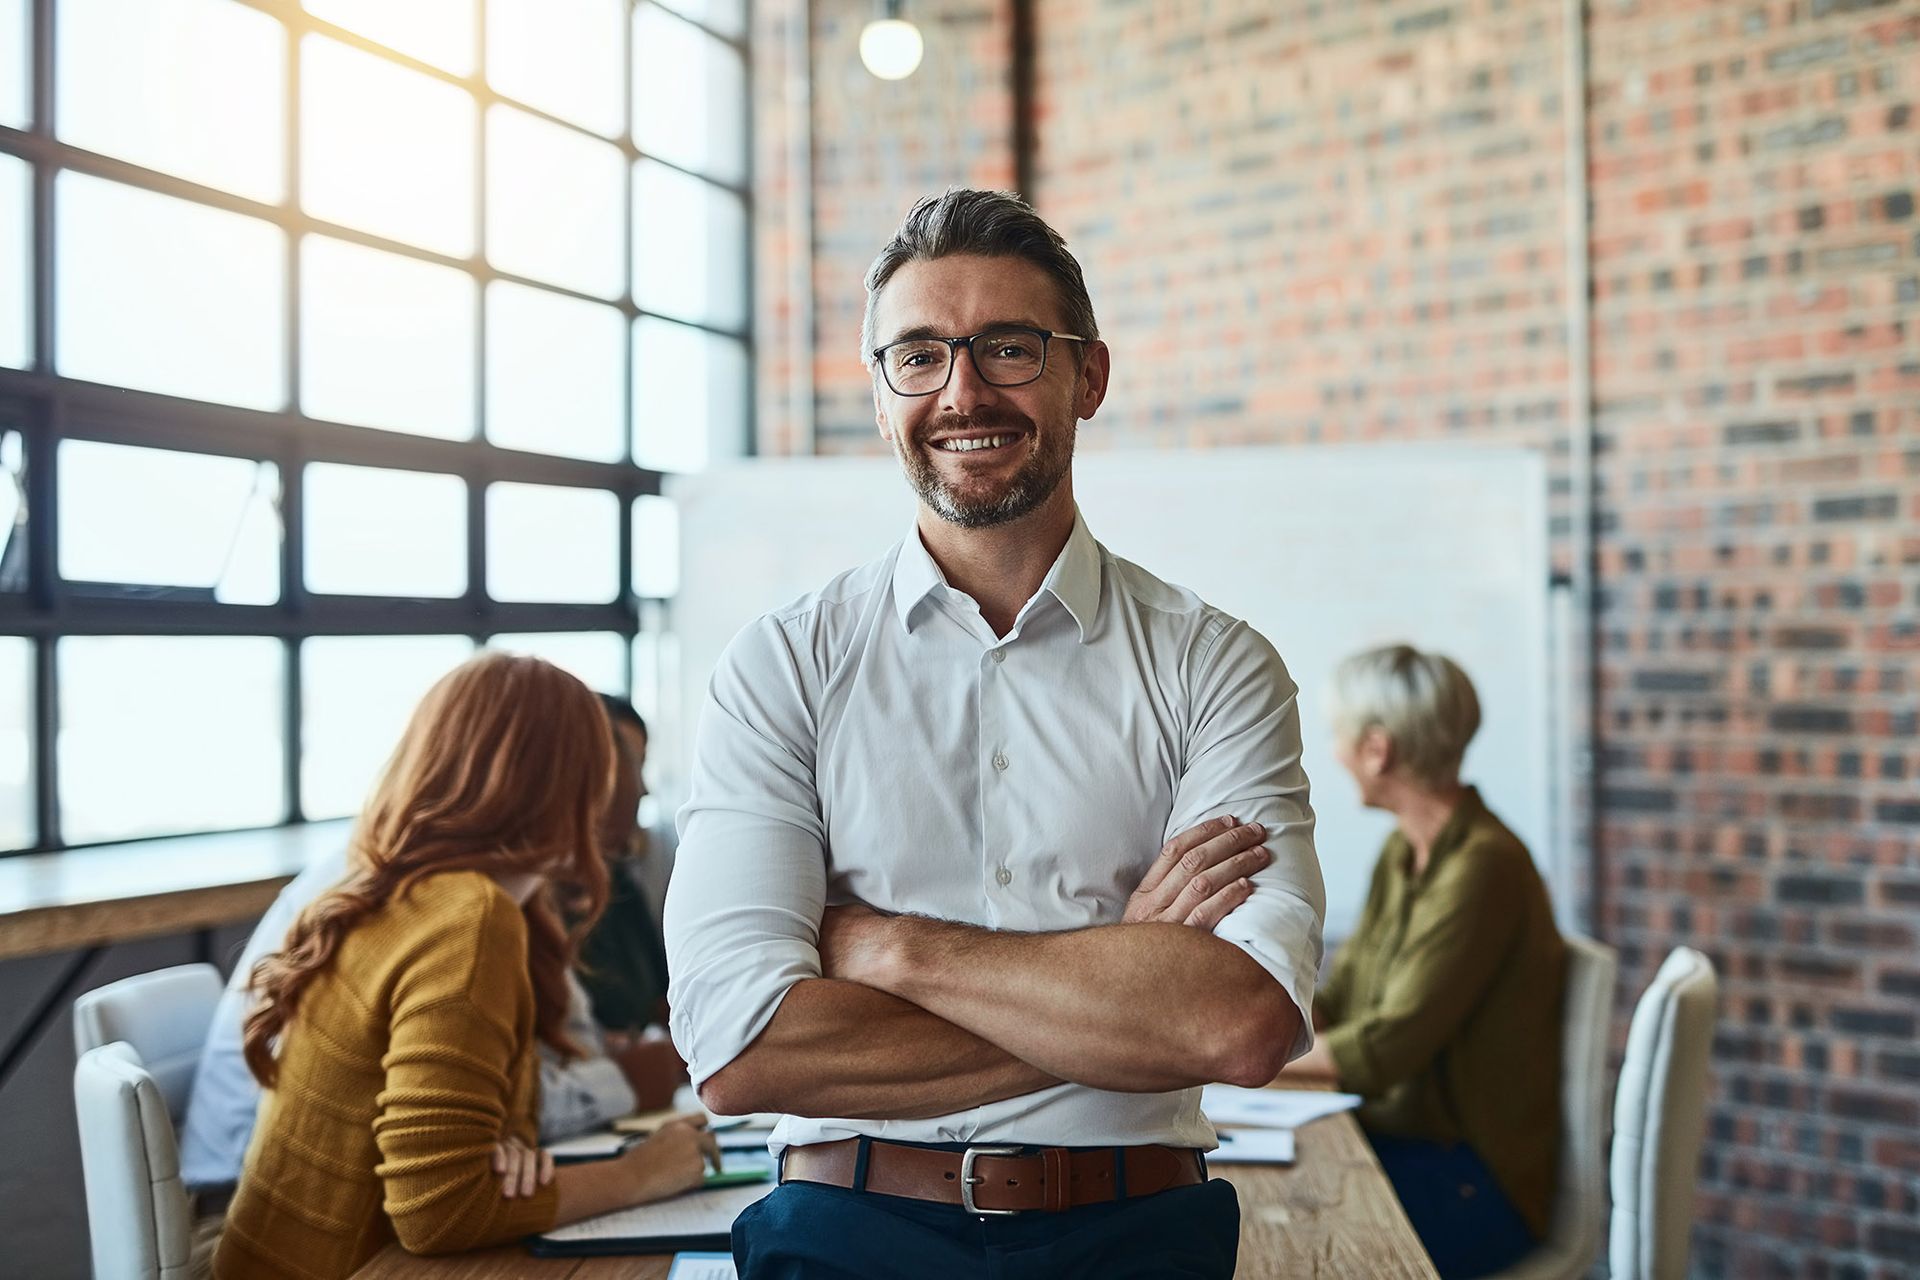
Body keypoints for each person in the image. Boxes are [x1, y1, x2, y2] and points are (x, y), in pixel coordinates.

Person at [665, 188, 1325, 1279]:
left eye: (1009, 348)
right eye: (918, 355)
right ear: (881, 396)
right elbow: (741, 1051)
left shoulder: (1217, 664)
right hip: (842, 1231)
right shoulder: (781, 666)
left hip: (1136, 1234)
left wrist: (887, 945)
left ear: (1089, 375)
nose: (962, 390)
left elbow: (1237, 1021)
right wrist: (1121, 974)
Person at [213, 653, 719, 1280]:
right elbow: (440, 1214)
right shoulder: (472, 917)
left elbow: (448, 1176)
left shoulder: (403, 888)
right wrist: (644, 1172)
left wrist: (496, 1151)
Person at [180, 696, 661, 1191]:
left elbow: (499, 1082)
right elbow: (447, 1126)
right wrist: (628, 1114)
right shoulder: (447, 906)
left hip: (334, 1190)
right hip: (255, 1189)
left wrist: (602, 1068)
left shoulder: (493, 885)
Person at [1281, 643, 1566, 1279]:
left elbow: (1385, 1049)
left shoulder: (1483, 866)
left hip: (1471, 1182)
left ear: (1377, 751)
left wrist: (1242, 1059)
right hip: (1408, 1149)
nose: (1333, 752)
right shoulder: (1401, 851)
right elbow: (1339, 1002)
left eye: (1338, 735)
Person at [573, 694, 685, 1109]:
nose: (640, 788)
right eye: (625, 764)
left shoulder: (620, 883)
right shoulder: (513, 906)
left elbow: (664, 1004)